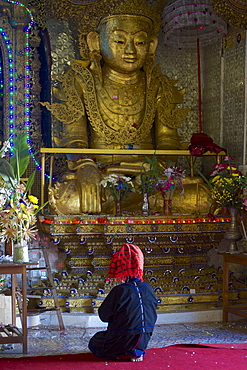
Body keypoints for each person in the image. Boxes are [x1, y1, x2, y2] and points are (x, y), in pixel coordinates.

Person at [43, 0, 192, 215]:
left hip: (146, 178)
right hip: (102, 174)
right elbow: (74, 140)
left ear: (151, 45)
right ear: (95, 42)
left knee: (198, 196)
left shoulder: (159, 84)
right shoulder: (81, 82)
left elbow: (168, 142)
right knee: (70, 200)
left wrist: (158, 167)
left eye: (139, 42)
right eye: (120, 41)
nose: (130, 50)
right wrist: (86, 168)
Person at [88, 243, 158, 362]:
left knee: (95, 342)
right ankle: (136, 352)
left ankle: (122, 353)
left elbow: (104, 316)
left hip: (121, 340)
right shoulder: (148, 288)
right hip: (144, 340)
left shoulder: (120, 290)